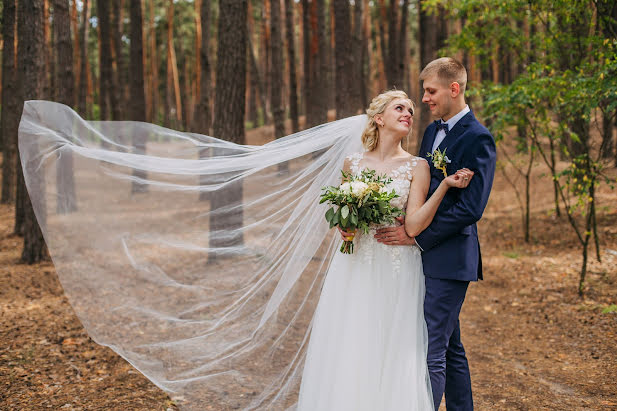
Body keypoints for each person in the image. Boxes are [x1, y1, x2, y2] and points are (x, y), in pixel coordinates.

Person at [298, 89, 474, 410]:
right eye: (399, 108)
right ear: (379, 118)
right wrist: (346, 225)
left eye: (410, 109)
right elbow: (344, 217)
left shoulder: (417, 166)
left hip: (397, 265)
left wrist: (444, 187)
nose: (409, 113)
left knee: (394, 344)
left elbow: (414, 225)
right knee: (354, 340)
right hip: (356, 265)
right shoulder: (352, 164)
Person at [375, 58, 497, 410]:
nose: (424, 99)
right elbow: (420, 190)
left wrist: (418, 237)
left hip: (450, 259)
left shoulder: (479, 138)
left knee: (431, 349)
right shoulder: (431, 132)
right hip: (423, 257)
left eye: (430, 91)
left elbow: (471, 208)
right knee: (450, 346)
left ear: (453, 89)